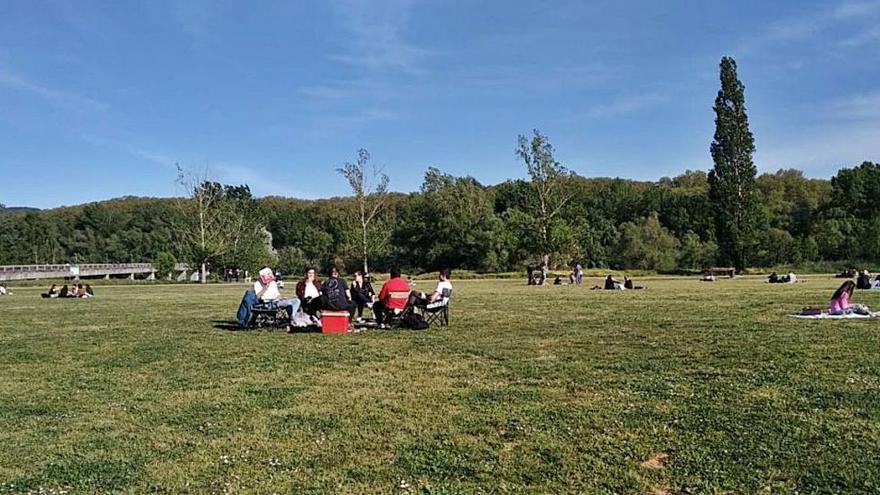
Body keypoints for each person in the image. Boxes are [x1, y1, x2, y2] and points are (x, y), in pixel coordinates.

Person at [254, 267, 301, 332]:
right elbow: (258, 297)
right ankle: (292, 320)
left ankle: (292, 317)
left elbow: (277, 295)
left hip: (278, 301)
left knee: (297, 301)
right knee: (289, 304)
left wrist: (282, 297)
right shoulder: (257, 284)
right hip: (269, 303)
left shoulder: (273, 283)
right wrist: (265, 288)